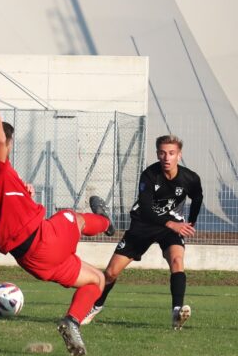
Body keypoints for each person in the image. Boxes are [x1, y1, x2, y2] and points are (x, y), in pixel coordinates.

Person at [0, 74, 114, 356]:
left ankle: (71, 322)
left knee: (97, 280)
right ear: (5, 144)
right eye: (8, 143)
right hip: (42, 240)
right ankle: (106, 220)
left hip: (30, 260)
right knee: (75, 217)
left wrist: (22, 196)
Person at [82, 135, 203, 330]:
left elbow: (198, 197)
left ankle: (177, 312)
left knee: (177, 261)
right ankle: (95, 306)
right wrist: (172, 224)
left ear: (179, 156)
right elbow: (146, 209)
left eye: (171, 153)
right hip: (144, 225)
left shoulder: (190, 178)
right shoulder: (149, 175)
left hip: (171, 228)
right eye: (162, 153)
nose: (166, 157)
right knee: (111, 272)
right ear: (157, 154)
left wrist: (190, 222)